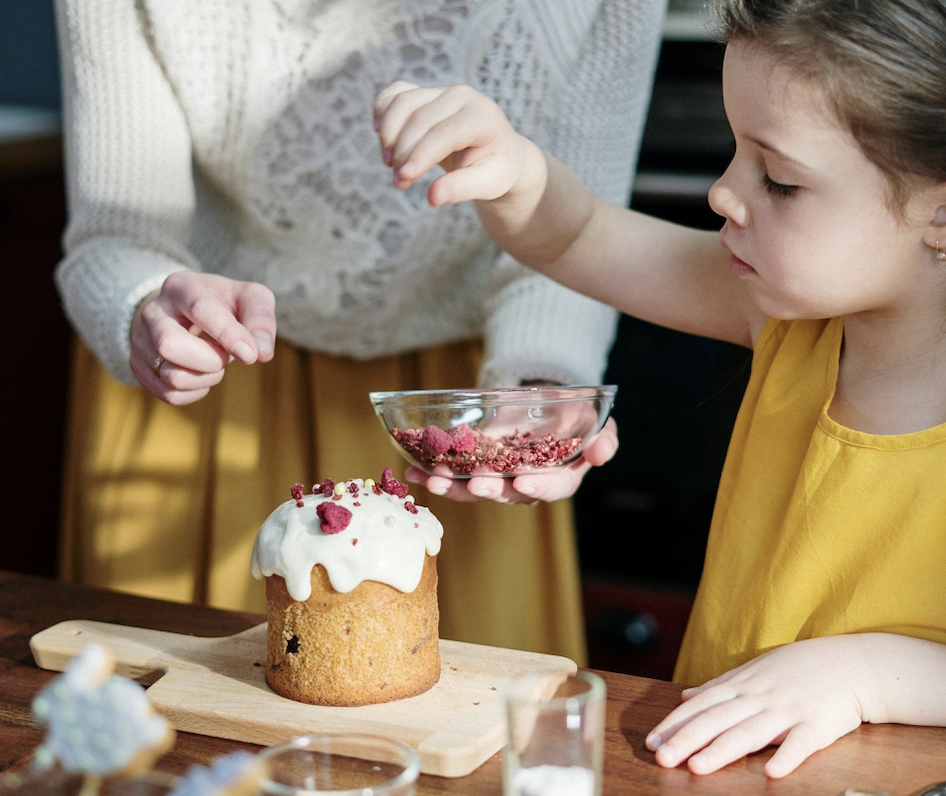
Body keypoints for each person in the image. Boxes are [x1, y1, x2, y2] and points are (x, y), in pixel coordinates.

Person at [374, 0, 946, 778]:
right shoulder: (789, 318)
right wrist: (509, 168)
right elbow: (577, 237)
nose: (723, 192)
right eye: (735, 152)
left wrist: (868, 676)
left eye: (778, 180)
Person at [52, 0, 665, 665]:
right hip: (206, 382)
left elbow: (575, 231)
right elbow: (115, 235)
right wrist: (147, 307)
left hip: (465, 408)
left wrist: (538, 393)